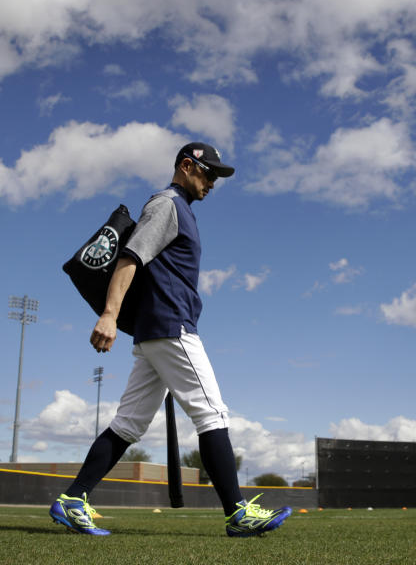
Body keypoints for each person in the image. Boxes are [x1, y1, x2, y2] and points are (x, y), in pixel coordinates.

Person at [49, 142, 291, 537]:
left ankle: (73, 499)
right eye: (208, 173)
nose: (212, 182)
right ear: (186, 166)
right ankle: (237, 513)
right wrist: (108, 314)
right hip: (171, 327)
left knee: (127, 424)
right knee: (212, 413)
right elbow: (130, 257)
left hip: (155, 332)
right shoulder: (167, 205)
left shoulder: (182, 210)